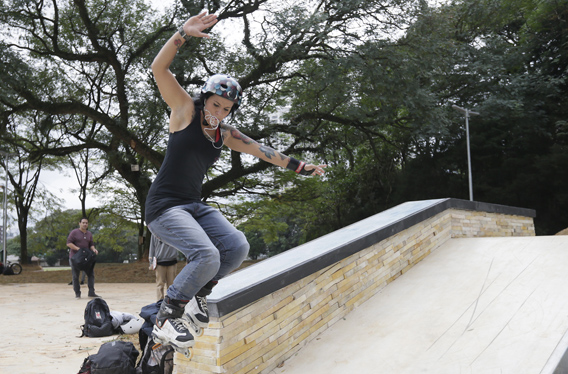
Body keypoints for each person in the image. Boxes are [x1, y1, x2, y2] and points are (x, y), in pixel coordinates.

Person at [145, 12, 327, 351]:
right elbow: (159, 69)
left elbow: (264, 151)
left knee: (237, 247)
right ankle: (166, 317)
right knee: (206, 254)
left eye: (227, 109)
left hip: (193, 205)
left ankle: (198, 297)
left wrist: (301, 167)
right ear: (205, 98)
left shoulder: (225, 134)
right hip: (164, 207)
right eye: (216, 105)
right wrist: (183, 33)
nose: (219, 113)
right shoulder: (185, 110)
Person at [67, 217, 99, 299]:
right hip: (75, 258)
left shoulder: (89, 234)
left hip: (86, 258)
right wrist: (78, 249)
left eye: (86, 223)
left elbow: (91, 244)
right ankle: (77, 293)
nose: (85, 224)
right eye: (83, 222)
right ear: (79, 223)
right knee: (75, 276)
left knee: (91, 274)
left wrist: (94, 249)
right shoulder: (74, 232)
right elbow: (69, 243)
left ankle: (91, 292)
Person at [149, 235, 178, 301]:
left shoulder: (173, 230)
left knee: (172, 285)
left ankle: (171, 301)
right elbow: (152, 246)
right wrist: (151, 261)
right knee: (160, 284)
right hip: (159, 262)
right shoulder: (155, 231)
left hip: (172, 261)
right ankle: (160, 302)